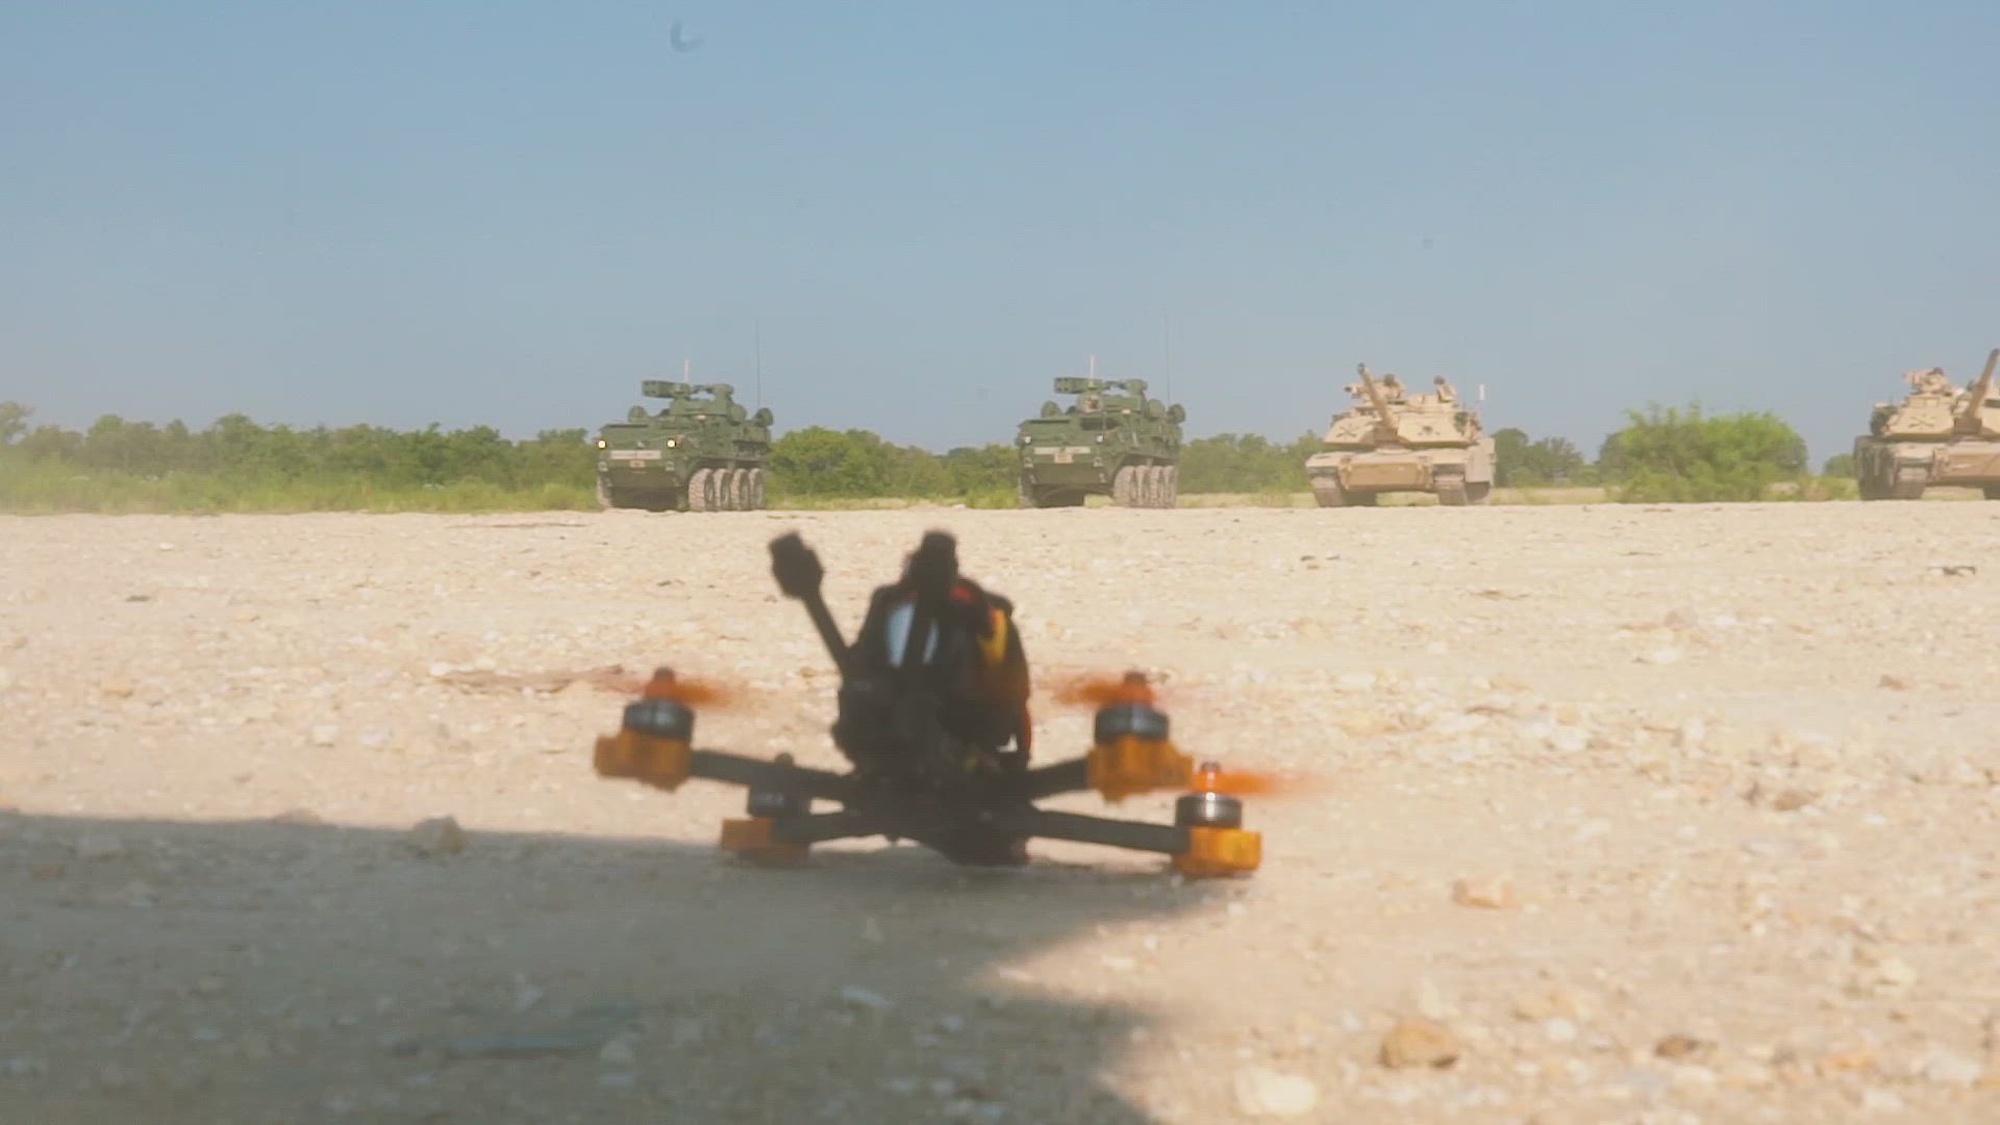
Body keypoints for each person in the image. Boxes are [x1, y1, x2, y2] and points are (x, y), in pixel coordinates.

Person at [832, 532, 1033, 780]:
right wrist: (1022, 756)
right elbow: (1017, 698)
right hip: (910, 733)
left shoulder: (984, 616)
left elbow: (1015, 696)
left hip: (950, 736)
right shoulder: (889, 605)